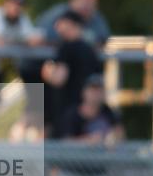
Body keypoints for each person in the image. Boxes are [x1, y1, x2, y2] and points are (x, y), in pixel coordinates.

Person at [22, 10, 104, 138]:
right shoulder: (90, 49)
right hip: (87, 109)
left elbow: (59, 78)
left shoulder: (67, 47)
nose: (57, 27)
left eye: (61, 23)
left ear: (71, 24)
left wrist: (47, 72)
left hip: (67, 108)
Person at [36, 0, 111, 48]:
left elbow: (103, 37)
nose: (86, 7)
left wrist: (82, 35)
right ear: (73, 1)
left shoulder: (95, 17)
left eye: (90, 4)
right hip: (49, 60)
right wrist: (65, 34)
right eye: (83, 2)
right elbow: (41, 33)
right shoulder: (60, 11)